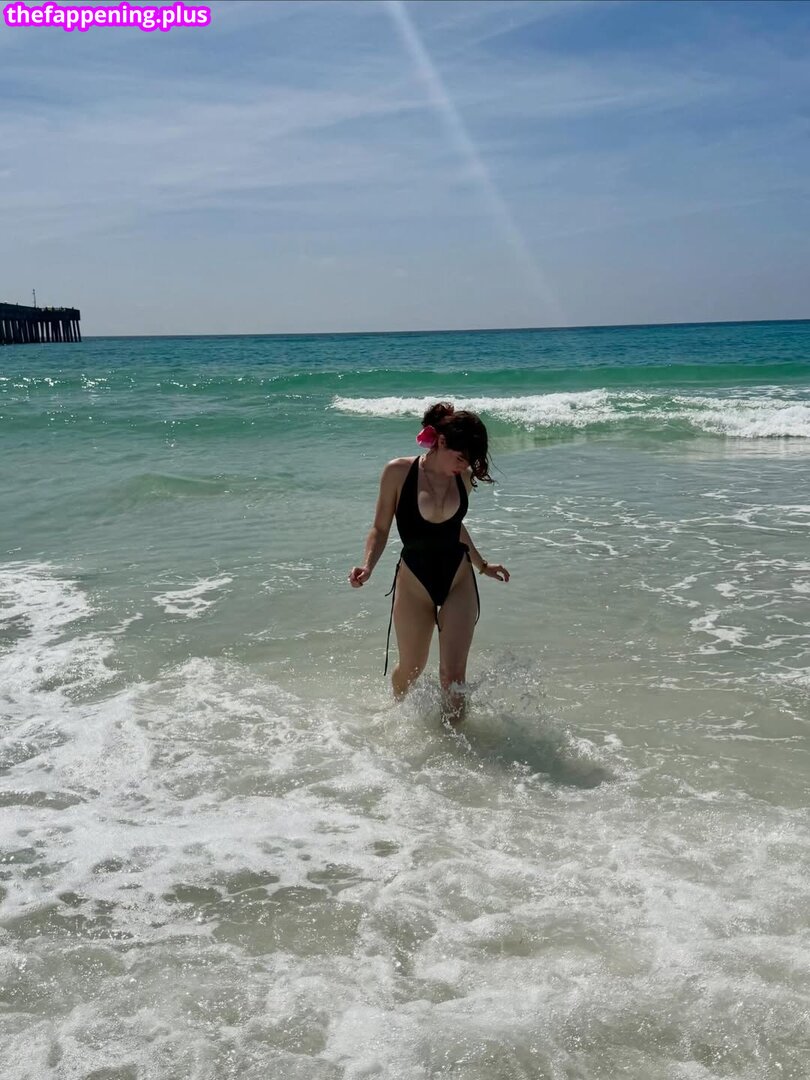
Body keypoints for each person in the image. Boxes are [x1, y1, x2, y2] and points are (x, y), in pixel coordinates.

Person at [349, 402, 510, 725]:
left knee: (453, 677)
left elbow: (454, 527)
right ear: (441, 442)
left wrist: (482, 565)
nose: (464, 465)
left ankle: (455, 743)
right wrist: (367, 566)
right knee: (411, 668)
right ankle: (397, 717)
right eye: (460, 457)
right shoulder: (398, 472)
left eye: (469, 461)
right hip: (414, 580)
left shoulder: (463, 479)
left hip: (457, 578)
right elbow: (380, 528)